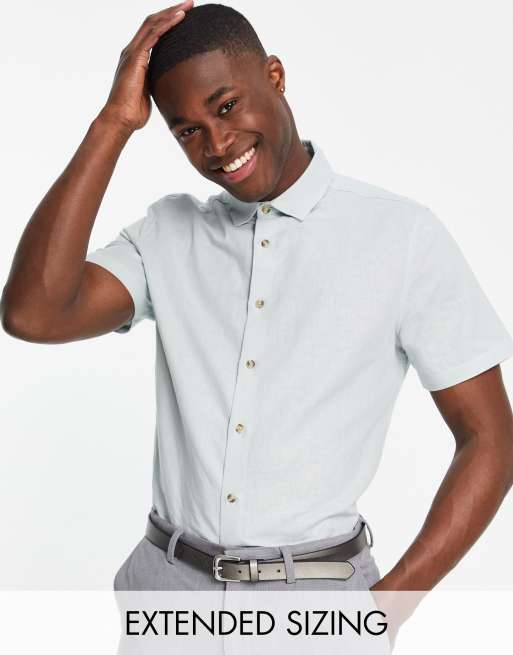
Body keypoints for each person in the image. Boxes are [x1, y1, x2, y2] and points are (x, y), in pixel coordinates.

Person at [2, 1, 513, 646]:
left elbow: (490, 440)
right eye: (187, 131)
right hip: (168, 600)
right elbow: (33, 313)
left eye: (226, 106)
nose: (217, 145)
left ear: (275, 75)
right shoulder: (166, 233)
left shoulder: (401, 236)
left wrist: (387, 608)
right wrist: (114, 122)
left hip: (319, 605)